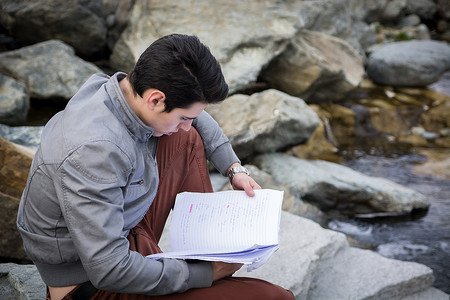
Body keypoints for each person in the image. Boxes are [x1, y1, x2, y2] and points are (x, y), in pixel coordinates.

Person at [17, 34, 294, 300]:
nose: (189, 123)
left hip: (123, 226)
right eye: (183, 116)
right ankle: (203, 269)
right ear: (155, 99)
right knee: (275, 297)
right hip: (89, 284)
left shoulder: (120, 90)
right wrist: (203, 275)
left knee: (184, 138)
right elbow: (109, 269)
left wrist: (234, 169)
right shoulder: (94, 152)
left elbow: (196, 118)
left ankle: (208, 247)